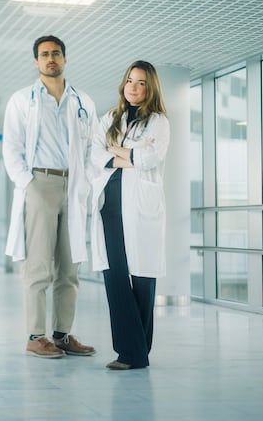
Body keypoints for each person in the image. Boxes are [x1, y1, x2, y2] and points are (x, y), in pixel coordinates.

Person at [2, 35, 97, 359]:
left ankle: (61, 335)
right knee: (39, 266)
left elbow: (91, 148)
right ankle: (35, 336)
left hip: (73, 186)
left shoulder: (82, 100)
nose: (50, 59)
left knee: (70, 268)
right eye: (44, 55)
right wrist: (28, 184)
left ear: (65, 58)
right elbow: (11, 148)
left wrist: (85, 183)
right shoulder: (22, 99)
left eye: (55, 53)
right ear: (36, 62)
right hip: (40, 183)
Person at [90, 60, 170, 370]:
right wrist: (128, 154)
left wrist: (117, 150)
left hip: (140, 207)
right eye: (130, 81)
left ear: (150, 89)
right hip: (110, 203)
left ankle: (138, 353)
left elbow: (151, 157)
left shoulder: (159, 122)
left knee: (142, 277)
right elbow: (95, 153)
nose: (133, 88)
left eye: (141, 83)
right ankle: (129, 353)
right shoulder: (111, 117)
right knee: (115, 277)